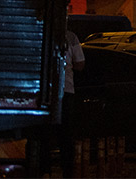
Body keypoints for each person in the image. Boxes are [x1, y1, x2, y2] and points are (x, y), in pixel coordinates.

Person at [59, 29, 85, 177]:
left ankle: (44, 169)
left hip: (41, 89)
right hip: (66, 89)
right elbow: (80, 64)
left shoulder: (41, 32)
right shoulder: (71, 37)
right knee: (66, 133)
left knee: (43, 133)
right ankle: (67, 171)